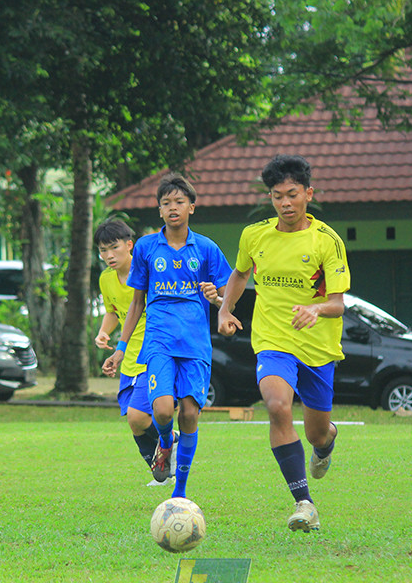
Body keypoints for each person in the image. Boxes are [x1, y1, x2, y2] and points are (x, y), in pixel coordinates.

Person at [215, 154, 349, 533]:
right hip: (272, 339)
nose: (285, 203)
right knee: (276, 407)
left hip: (318, 347)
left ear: (309, 193)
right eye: (277, 196)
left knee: (315, 433)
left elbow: (338, 304)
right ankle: (304, 502)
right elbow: (240, 274)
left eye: (292, 194)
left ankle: (327, 441)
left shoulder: (327, 241)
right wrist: (225, 309)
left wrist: (316, 309)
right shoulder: (254, 235)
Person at [102, 173, 231, 500]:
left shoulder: (206, 248)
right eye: (165, 203)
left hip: (195, 344)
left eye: (178, 202)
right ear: (159, 210)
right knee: (160, 411)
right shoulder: (146, 248)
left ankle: (180, 492)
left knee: (188, 414)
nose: (172, 208)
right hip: (158, 341)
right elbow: (135, 304)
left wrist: (217, 299)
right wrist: (119, 348)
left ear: (191, 206)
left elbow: (226, 292)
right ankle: (163, 442)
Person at [93, 217, 172, 482]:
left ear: (130, 245)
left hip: (153, 352)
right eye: (103, 250)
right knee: (135, 422)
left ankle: (171, 442)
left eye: (114, 247)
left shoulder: (150, 272)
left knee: (138, 417)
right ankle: (163, 468)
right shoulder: (106, 279)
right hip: (127, 357)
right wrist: (105, 331)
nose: (108, 255)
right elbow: (114, 311)